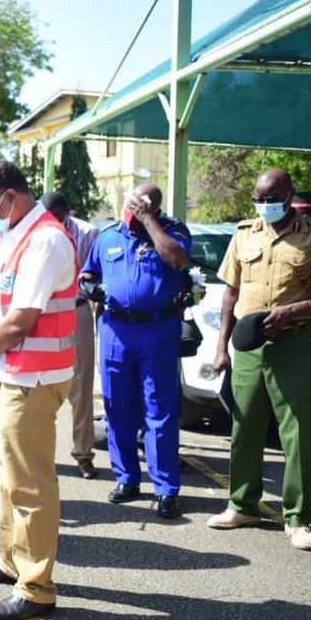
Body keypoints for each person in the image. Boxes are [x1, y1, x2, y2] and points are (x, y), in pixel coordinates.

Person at [208, 168, 311, 551]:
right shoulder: (244, 234)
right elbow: (229, 293)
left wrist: (298, 310)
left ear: (288, 197)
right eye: (259, 198)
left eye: (271, 199)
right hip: (251, 347)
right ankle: (242, 504)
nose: (264, 206)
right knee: (244, 429)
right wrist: (222, 347)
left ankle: (299, 517)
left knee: (299, 433)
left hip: (296, 344)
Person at [0, 160, 77, 620]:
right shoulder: (18, 237)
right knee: (10, 478)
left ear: (11, 197)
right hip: (15, 371)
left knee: (30, 484)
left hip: (34, 378)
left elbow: (18, 323)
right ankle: (11, 561)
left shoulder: (45, 240)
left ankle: (36, 588)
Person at [80, 184, 191, 518]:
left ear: (155, 208)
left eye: (143, 207)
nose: (134, 211)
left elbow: (176, 259)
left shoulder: (173, 231)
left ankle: (166, 488)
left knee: (160, 411)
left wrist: (149, 221)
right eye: (132, 205)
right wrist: (91, 286)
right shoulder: (109, 235)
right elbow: (88, 273)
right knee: (118, 407)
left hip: (158, 330)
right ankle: (127, 478)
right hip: (115, 329)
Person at [41, 191, 102, 481]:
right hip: (40, 315)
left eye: (55, 217)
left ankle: (83, 454)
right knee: (41, 386)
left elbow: (98, 278)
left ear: (67, 212)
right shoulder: (35, 230)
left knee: (80, 388)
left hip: (76, 313)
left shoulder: (89, 234)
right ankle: (41, 455)